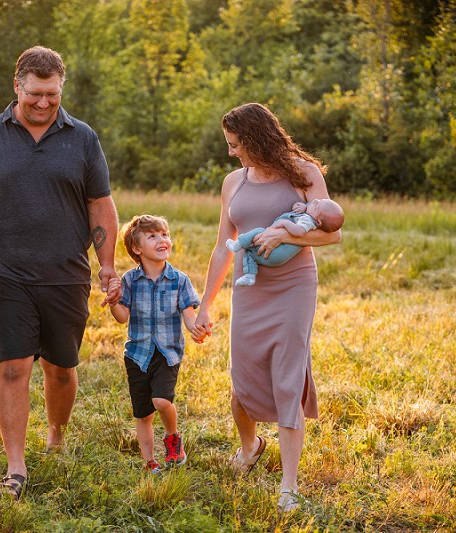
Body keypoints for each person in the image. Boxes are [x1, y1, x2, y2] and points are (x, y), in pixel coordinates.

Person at [0, 46, 120, 500]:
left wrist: (107, 267)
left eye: (52, 94)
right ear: (17, 86)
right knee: (12, 368)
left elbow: (99, 204)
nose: (44, 103)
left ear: (60, 87)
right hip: (6, 272)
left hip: (67, 272)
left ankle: (56, 438)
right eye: (35, 94)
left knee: (62, 369)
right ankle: (15, 466)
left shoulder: (83, 138)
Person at [194, 103, 342, 513]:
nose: (231, 153)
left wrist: (286, 238)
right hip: (249, 288)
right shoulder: (233, 182)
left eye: (236, 145)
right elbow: (223, 247)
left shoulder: (303, 173)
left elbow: (332, 236)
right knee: (242, 379)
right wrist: (206, 303)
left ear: (256, 139)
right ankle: (251, 447)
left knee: (288, 378)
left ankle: (289, 486)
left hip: (293, 287)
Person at [106, 215, 206, 474]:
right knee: (143, 414)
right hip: (137, 354)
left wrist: (196, 329)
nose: (162, 240)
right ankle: (149, 461)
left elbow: (189, 316)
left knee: (161, 400)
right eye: (153, 236)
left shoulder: (179, 279)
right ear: (137, 249)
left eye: (164, 234)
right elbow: (122, 318)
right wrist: (113, 300)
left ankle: (173, 439)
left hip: (166, 353)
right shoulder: (129, 280)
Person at [226, 198, 344, 286]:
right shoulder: (309, 216)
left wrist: (284, 223)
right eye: (318, 200)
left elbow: (299, 232)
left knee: (257, 232)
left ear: (318, 222)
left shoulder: (307, 221)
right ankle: (250, 276)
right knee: (250, 252)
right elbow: (308, 209)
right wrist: (304, 207)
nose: (314, 201)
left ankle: (237, 245)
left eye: (316, 205)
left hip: (277, 252)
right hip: (278, 255)